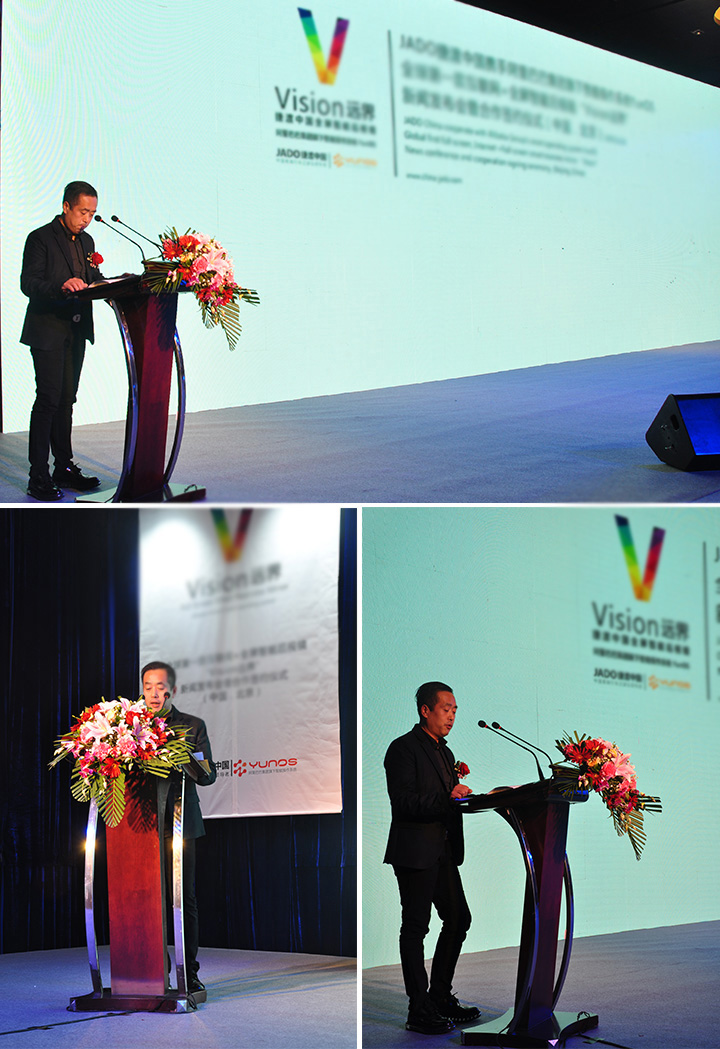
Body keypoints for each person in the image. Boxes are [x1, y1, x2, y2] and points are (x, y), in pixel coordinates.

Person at [383, 681, 481, 1035]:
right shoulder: (403, 749)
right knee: (415, 927)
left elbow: (445, 799)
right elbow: (403, 802)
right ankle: (418, 1008)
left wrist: (463, 797)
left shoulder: (446, 753)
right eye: (445, 709)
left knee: (458, 919)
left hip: (443, 851)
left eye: (455, 710)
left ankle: (439, 997)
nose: (452, 716)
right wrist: (448, 797)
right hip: (414, 852)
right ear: (425, 710)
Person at [20, 180, 104, 500]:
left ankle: (63, 467)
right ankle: (38, 476)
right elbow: (29, 283)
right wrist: (61, 286)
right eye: (83, 211)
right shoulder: (40, 238)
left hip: (76, 330)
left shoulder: (87, 242)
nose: (87, 219)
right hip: (48, 330)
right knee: (48, 400)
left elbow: (92, 280)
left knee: (67, 399)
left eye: (92, 213)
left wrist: (110, 283)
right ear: (66, 206)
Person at [141, 660, 217, 994]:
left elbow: (208, 775)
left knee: (183, 899)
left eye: (160, 687)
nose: (153, 694)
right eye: (148, 687)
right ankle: (154, 972)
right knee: (148, 901)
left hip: (180, 824)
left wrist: (181, 755)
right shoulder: (129, 728)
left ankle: (190, 972)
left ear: (172, 689)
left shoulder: (191, 726)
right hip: (141, 827)